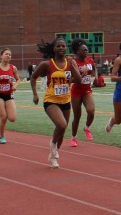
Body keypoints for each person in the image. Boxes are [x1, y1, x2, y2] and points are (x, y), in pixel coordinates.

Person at [30, 37, 84, 169]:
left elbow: (78, 80)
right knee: (61, 124)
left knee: (62, 130)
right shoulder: (47, 64)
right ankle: (53, 144)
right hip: (51, 100)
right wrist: (35, 94)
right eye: (58, 46)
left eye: (63, 46)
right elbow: (33, 77)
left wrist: (73, 65)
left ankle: (54, 157)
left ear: (66, 48)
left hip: (65, 100)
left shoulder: (70, 63)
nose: (61, 48)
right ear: (54, 48)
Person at [69, 39, 97, 147]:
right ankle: (73, 137)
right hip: (76, 90)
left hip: (87, 90)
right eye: (83, 50)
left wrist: (96, 77)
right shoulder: (74, 62)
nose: (86, 51)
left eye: (86, 49)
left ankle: (86, 128)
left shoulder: (90, 60)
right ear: (77, 51)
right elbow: (72, 80)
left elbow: (94, 68)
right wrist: (82, 75)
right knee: (77, 116)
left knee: (91, 111)